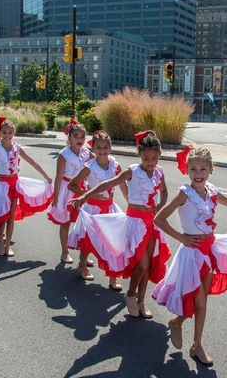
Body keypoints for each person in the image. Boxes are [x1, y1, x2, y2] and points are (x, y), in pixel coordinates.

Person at [152, 146, 227, 365]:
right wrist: (182, 238)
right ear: (187, 170)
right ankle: (190, 337)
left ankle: (187, 333)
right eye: (193, 169)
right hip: (191, 252)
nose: (198, 173)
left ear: (211, 169)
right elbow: (159, 219)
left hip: (209, 250)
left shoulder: (211, 191)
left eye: (202, 168)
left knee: (203, 300)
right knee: (198, 300)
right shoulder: (185, 193)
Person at [71, 130, 170, 319]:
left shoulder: (159, 172)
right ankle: (130, 294)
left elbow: (164, 191)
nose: (150, 162)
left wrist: (160, 205)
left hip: (152, 223)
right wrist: (85, 195)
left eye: (155, 158)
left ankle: (141, 301)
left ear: (159, 156)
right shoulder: (132, 171)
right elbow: (108, 183)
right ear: (139, 153)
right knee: (141, 265)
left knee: (148, 266)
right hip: (135, 223)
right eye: (146, 157)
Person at [0, 119, 53, 257]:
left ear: (14, 133)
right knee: (4, 215)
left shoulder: (17, 147)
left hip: (15, 183)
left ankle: (7, 244)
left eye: (10, 132)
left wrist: (46, 176)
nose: (7, 135)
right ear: (0, 133)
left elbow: (32, 162)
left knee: (11, 216)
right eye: (4, 132)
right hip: (2, 184)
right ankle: (0, 239)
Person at [67, 130, 128, 289]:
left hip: (110, 208)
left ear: (110, 148)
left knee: (114, 241)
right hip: (93, 209)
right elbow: (72, 185)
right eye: (99, 147)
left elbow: (122, 184)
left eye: (105, 147)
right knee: (88, 240)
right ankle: (82, 265)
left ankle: (113, 277)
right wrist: (87, 195)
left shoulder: (115, 164)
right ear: (93, 148)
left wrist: (129, 203)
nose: (102, 151)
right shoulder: (90, 167)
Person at [47, 119, 95, 265]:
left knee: (85, 222)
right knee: (66, 222)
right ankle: (64, 251)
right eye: (76, 136)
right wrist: (55, 197)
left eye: (82, 137)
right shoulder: (64, 154)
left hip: (82, 189)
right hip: (67, 190)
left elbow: (98, 162)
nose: (79, 140)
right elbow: (59, 176)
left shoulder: (86, 152)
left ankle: (84, 255)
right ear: (69, 138)